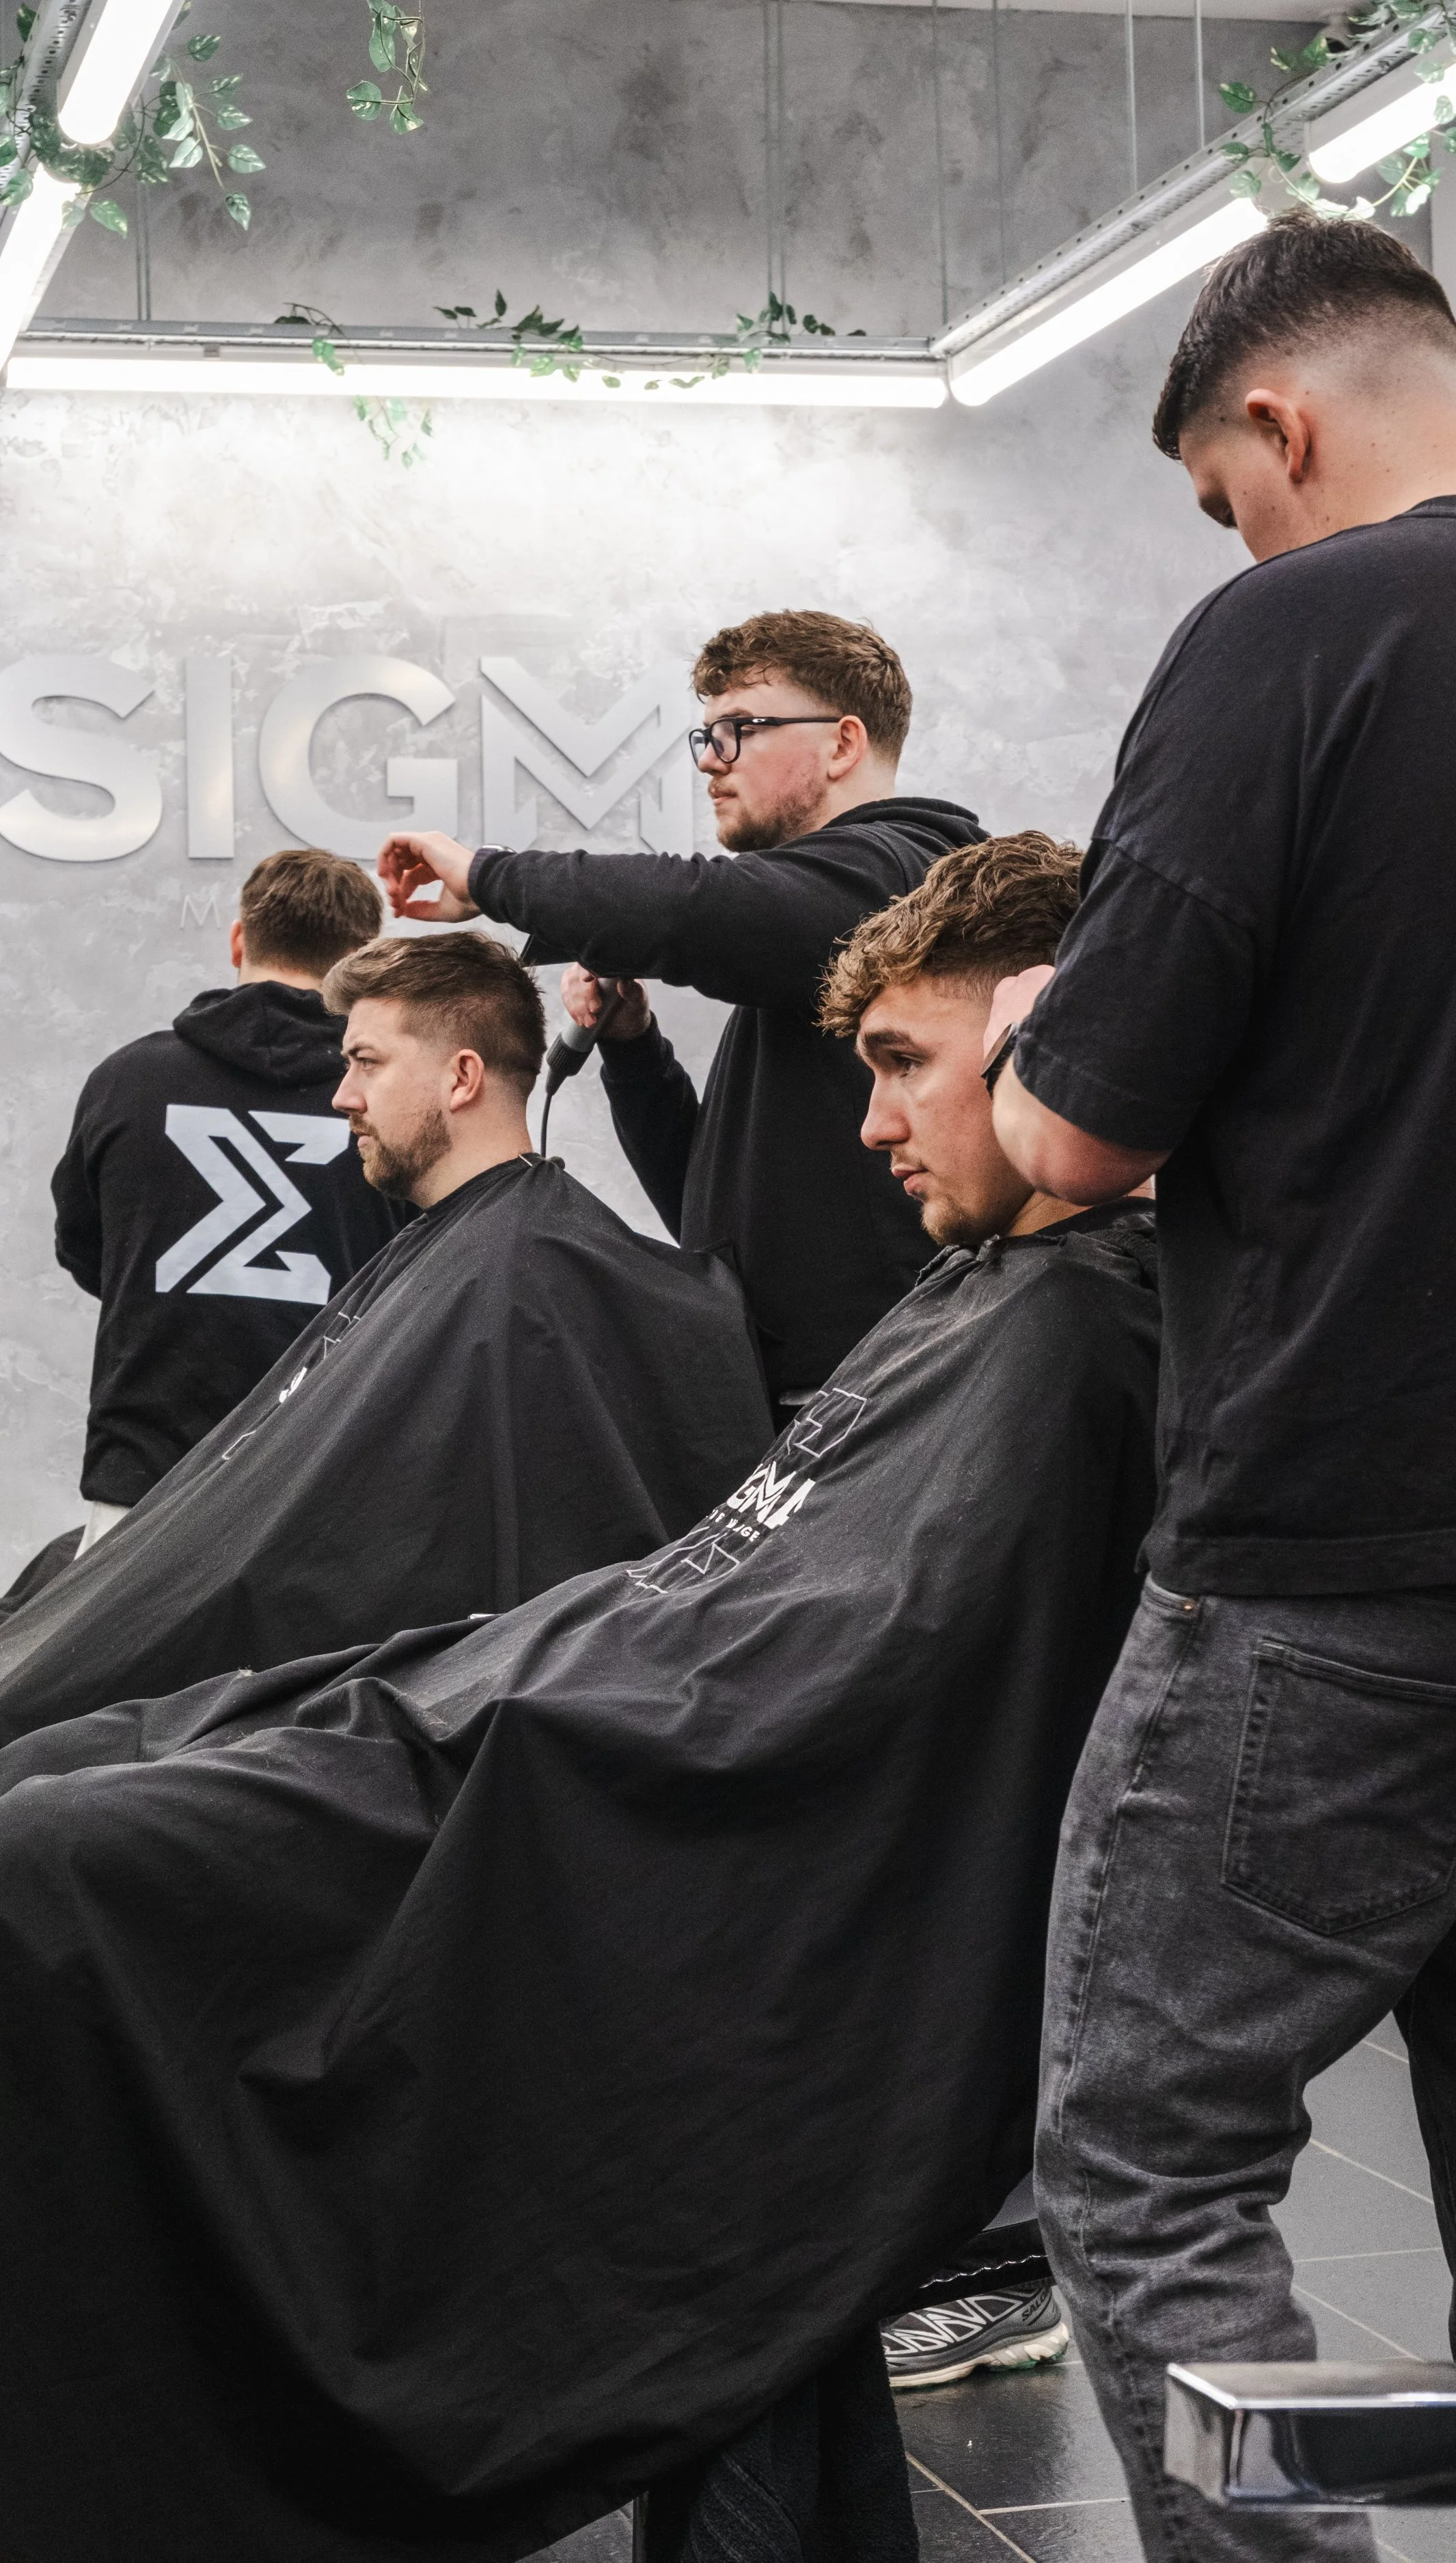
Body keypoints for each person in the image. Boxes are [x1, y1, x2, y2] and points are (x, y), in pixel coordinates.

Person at [0, 835, 1159, 2563]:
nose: (866, 1126)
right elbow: (728, 1601)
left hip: (628, 1824)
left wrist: (480, 1706)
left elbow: (819, 1699)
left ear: (1056, 1043)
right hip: (561, 1722)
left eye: (903, 1066)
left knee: (54, 1858)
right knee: (99, 1757)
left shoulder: (1080, 1340)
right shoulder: (993, 1295)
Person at [979, 213, 1456, 2563]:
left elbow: (1075, 1131)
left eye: (1224, 490)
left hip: (1357, 1545)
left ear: (1276, 427)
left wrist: (1006, 1077)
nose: (1236, 531)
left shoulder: (1289, 634)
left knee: (1147, 2150)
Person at [0, 932, 773, 1743]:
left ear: (462, 1076)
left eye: (366, 1063)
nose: (342, 1096)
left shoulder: (520, 1278)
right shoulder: (470, 1254)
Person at [374, 610, 985, 1409]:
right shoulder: (817, 941)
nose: (711, 763)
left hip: (874, 1403)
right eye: (706, 737)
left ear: (841, 743)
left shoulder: (902, 874)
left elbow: (692, 908)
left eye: (739, 730)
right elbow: (709, 1221)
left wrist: (490, 876)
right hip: (792, 1405)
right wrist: (634, 1050)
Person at [50, 847, 409, 1554]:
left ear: (239, 939)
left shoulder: (125, 1080)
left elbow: (91, 1254)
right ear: (365, 959)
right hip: (325, 1487)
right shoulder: (390, 1102)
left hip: (144, 1487)